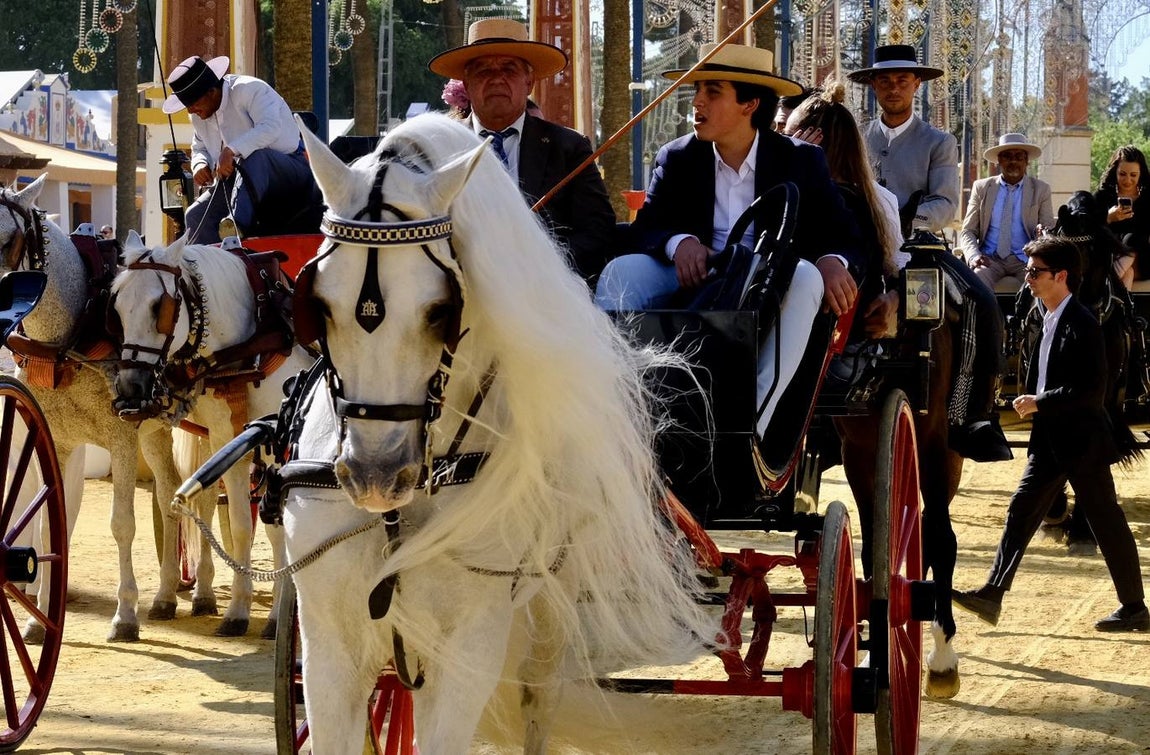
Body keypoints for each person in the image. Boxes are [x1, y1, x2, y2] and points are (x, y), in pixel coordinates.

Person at [594, 43, 865, 442]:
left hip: (765, 277)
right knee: (621, 271)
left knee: (808, 276)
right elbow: (647, 228)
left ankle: (750, 429)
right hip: (692, 272)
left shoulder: (801, 159)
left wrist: (832, 260)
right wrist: (679, 243)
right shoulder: (677, 157)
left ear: (749, 104)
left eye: (713, 91)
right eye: (697, 90)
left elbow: (843, 232)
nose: (697, 102)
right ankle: (609, 412)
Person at [952, 236, 1148, 632]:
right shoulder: (1045, 317)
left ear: (1061, 276)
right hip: (1051, 442)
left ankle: (1134, 608)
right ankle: (992, 594)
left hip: (1082, 443)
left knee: (1106, 523)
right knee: (1021, 512)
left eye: (1035, 272)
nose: (1028, 279)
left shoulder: (1083, 323)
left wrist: (1039, 402)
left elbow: (1092, 390)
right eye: (1028, 271)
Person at [850, 45, 1011, 462]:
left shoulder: (939, 141)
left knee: (983, 301)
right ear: (873, 86)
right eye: (885, 80)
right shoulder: (857, 137)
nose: (894, 88)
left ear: (916, 84)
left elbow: (945, 204)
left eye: (902, 80)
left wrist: (901, 223)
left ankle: (977, 414)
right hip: (861, 247)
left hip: (920, 248)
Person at [429, 19, 615, 284]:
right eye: (483, 70)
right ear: (467, 84)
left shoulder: (569, 149)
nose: (496, 78)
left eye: (509, 68)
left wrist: (540, 266)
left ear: (529, 82)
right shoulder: (438, 148)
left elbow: (598, 230)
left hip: (545, 290)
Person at [783, 80, 903, 339]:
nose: (782, 146)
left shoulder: (844, 202)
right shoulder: (858, 197)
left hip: (830, 342)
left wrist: (794, 166)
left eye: (789, 139)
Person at [161, 55, 318, 245]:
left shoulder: (249, 89)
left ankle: (234, 226)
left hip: (289, 172)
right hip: (238, 181)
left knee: (256, 157)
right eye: (187, 106)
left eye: (193, 104)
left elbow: (270, 127)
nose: (190, 111)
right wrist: (199, 164)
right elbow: (199, 146)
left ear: (211, 92)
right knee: (195, 215)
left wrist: (231, 150)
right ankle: (211, 261)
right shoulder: (199, 117)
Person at [959, 133, 1055, 290]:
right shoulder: (982, 188)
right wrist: (974, 256)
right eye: (1007, 156)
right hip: (989, 260)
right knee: (976, 282)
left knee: (1041, 284)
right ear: (999, 160)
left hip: (1026, 260)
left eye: (1019, 157)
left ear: (1026, 161)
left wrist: (1042, 235)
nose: (1013, 161)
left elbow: (1049, 231)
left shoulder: (1041, 189)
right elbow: (968, 231)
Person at [1094, 144, 1150, 288]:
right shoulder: (1103, 196)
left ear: (1141, 174)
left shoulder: (1147, 198)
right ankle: (1120, 293)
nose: (1128, 180)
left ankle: (1109, 281)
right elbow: (1090, 227)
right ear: (1115, 172)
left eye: (1133, 175)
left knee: (1133, 238)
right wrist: (1108, 218)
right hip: (1109, 257)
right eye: (1122, 174)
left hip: (1141, 260)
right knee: (1128, 272)